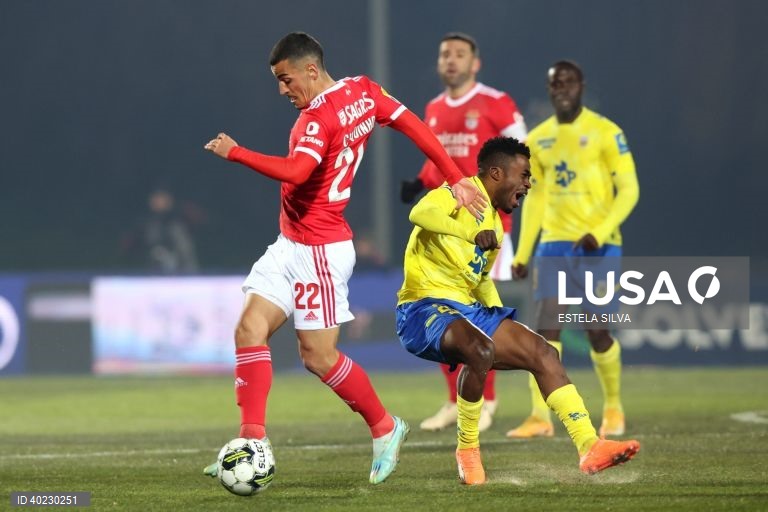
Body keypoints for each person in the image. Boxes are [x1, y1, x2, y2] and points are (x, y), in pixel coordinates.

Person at [202, 31, 487, 485]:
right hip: (290, 242)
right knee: (248, 329)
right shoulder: (364, 91)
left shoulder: (314, 121)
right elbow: (413, 123)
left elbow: (298, 171)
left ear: (310, 70)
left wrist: (235, 152)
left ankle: (384, 426)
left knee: (318, 356)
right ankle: (251, 442)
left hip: (319, 249)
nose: (282, 90)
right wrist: (455, 177)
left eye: (286, 79)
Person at [395, 136, 640, 485]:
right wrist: (467, 231)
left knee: (541, 350)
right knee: (479, 348)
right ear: (496, 173)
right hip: (421, 309)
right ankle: (467, 450)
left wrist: (497, 316)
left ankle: (590, 445)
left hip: (465, 309)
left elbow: (478, 280)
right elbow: (417, 212)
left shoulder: (494, 224)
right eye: (524, 175)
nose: (528, 184)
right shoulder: (460, 192)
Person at [400, 32, 528, 433]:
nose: (450, 60)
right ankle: (457, 401)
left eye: (459, 55)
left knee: (474, 311)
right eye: (444, 54)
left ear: (476, 63)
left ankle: (485, 401)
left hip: (487, 228)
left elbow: (522, 155)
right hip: (446, 227)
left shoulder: (496, 102)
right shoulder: (434, 108)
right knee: (441, 311)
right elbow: (436, 160)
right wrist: (419, 182)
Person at [506, 61, 640, 439]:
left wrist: (601, 229)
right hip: (555, 245)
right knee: (546, 329)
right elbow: (535, 199)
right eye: (554, 85)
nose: (560, 89)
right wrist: (522, 251)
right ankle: (540, 416)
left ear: (581, 85)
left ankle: (613, 407)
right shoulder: (539, 139)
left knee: (597, 331)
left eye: (567, 83)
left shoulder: (605, 131)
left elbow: (630, 189)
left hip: (599, 246)